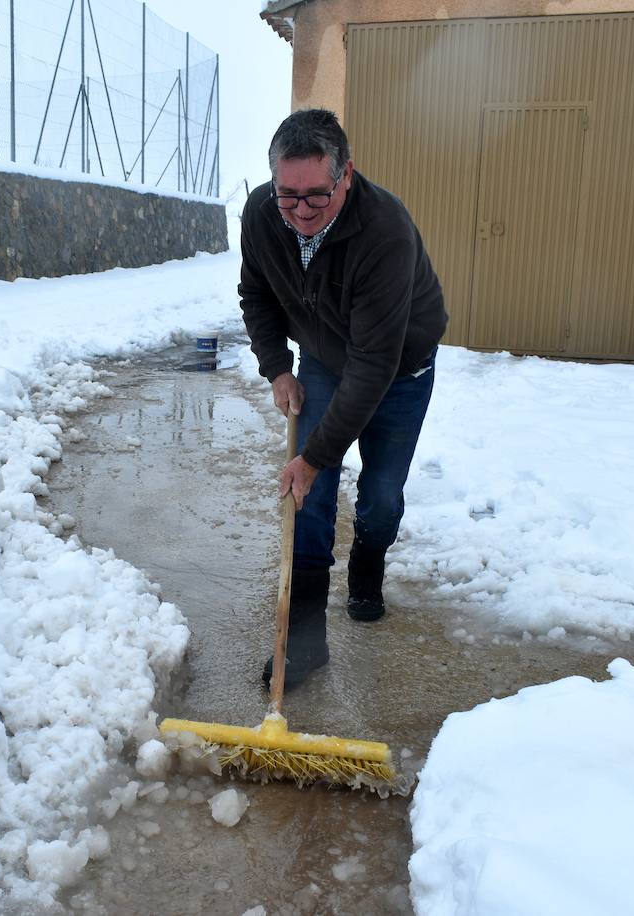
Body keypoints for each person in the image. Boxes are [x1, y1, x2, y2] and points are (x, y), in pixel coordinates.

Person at [238, 108, 447, 689]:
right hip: (325, 362)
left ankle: (367, 564)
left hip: (400, 371)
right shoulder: (262, 214)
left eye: (316, 196)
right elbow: (256, 293)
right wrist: (278, 368)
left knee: (380, 498)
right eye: (288, 196)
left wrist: (312, 456)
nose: (301, 211)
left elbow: (375, 363)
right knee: (307, 502)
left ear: (345, 176)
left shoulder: (386, 231)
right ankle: (303, 645)